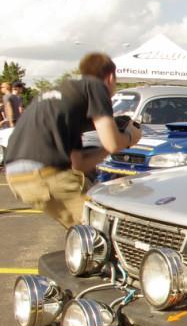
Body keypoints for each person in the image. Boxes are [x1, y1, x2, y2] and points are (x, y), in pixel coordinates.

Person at [4, 52, 142, 228]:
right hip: (46, 174)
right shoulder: (96, 86)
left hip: (19, 177)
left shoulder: (63, 95)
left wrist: (105, 150)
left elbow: (79, 165)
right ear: (110, 77)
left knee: (83, 233)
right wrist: (131, 136)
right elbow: (113, 143)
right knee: (103, 228)